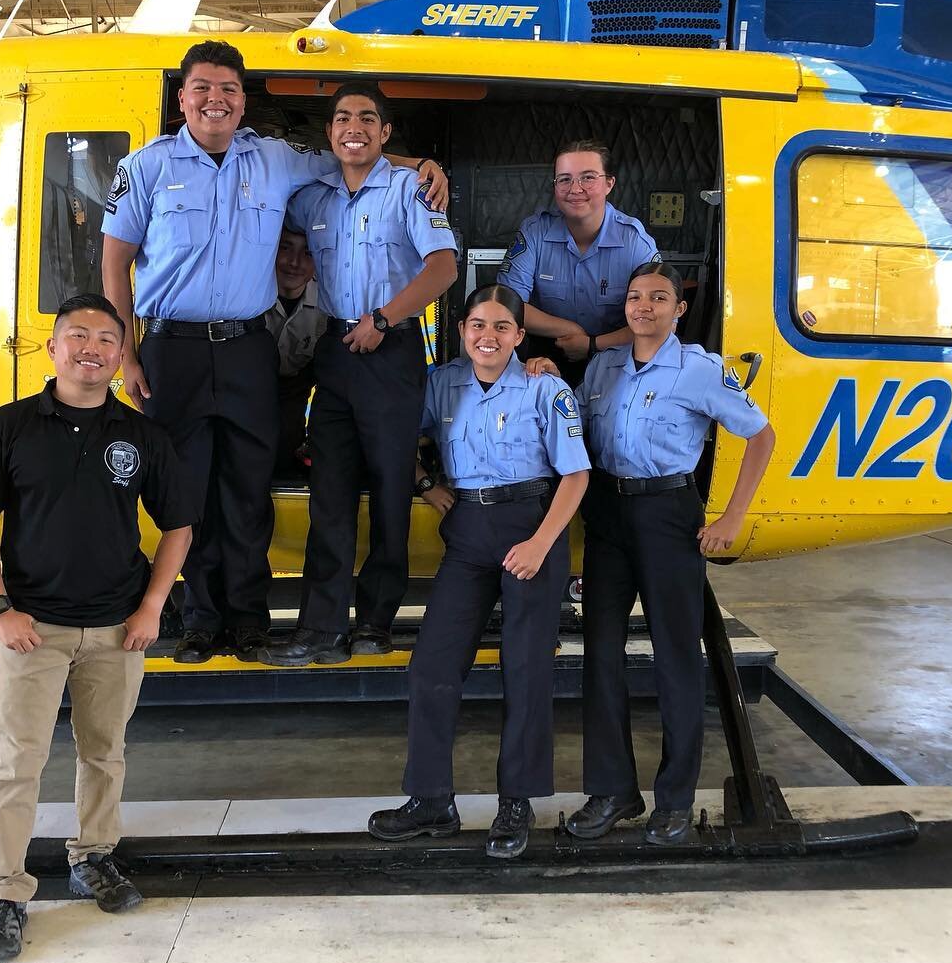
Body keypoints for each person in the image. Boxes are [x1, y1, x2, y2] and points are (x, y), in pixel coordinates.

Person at [101, 40, 448, 666]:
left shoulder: (275, 160)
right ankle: (202, 621)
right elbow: (114, 265)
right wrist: (127, 353)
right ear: (182, 99)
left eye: (229, 90)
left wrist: (422, 161)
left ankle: (251, 620)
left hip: (247, 349)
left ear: (241, 101)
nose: (216, 100)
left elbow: (351, 153)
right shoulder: (145, 166)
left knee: (248, 491)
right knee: (189, 492)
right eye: (203, 88)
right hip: (172, 349)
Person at [0, 293, 194, 963]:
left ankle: (93, 856)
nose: (91, 348)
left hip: (116, 630)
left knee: (104, 751)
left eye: (105, 339)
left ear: (121, 356)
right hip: (33, 629)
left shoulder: (143, 436)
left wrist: (151, 606)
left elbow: (178, 525)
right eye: (77, 336)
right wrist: (0, 607)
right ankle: (4, 894)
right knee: (17, 763)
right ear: (53, 348)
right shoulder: (8, 428)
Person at [367, 284, 589, 858]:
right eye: (476, 326)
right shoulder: (442, 383)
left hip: (531, 526)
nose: (486, 337)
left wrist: (541, 544)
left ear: (519, 335)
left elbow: (575, 476)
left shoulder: (547, 388)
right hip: (467, 529)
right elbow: (396, 435)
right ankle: (431, 800)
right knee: (432, 665)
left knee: (526, 669)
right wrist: (427, 485)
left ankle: (516, 802)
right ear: (462, 330)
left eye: (500, 327)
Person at [565, 263, 774, 846]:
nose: (644, 307)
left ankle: (674, 799)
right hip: (608, 515)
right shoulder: (604, 368)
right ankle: (612, 791)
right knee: (600, 652)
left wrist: (732, 516)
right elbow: (569, 427)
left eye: (659, 298)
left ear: (678, 308)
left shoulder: (701, 370)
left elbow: (761, 435)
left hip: (668, 514)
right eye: (635, 297)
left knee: (675, 658)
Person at [264, 82, 458, 667]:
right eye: (344, 118)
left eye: (368, 119)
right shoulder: (312, 198)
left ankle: (376, 622)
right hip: (335, 351)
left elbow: (444, 268)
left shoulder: (410, 191)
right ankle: (319, 631)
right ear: (329, 133)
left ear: (386, 132)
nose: (356, 127)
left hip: (392, 351)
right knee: (331, 497)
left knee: (393, 494)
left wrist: (384, 318)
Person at [498, 139, 659, 385]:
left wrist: (592, 344)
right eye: (564, 179)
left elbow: (661, 320)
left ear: (609, 184)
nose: (575, 189)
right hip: (544, 357)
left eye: (588, 178)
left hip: (617, 358)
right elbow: (507, 304)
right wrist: (568, 329)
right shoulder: (534, 232)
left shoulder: (635, 242)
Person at [265, 228, 326, 480]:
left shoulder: (329, 302)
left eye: (308, 253)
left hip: (296, 388)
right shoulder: (246, 295)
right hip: (247, 393)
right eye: (286, 248)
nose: (294, 262)